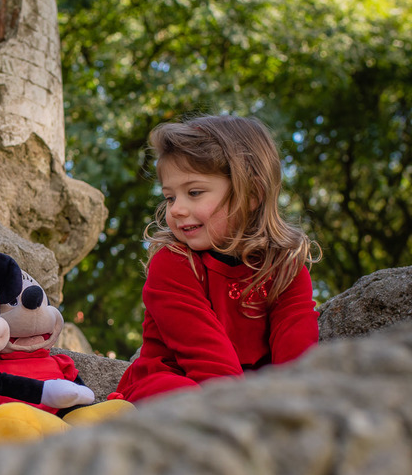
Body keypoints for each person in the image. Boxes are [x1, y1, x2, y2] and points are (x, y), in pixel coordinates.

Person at [114, 114, 319, 402]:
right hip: (177, 380)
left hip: (247, 391)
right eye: (170, 197)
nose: (175, 210)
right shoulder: (173, 263)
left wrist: (295, 400)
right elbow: (207, 358)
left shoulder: (285, 267)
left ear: (251, 195)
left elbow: (296, 346)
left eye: (194, 192)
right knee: (176, 394)